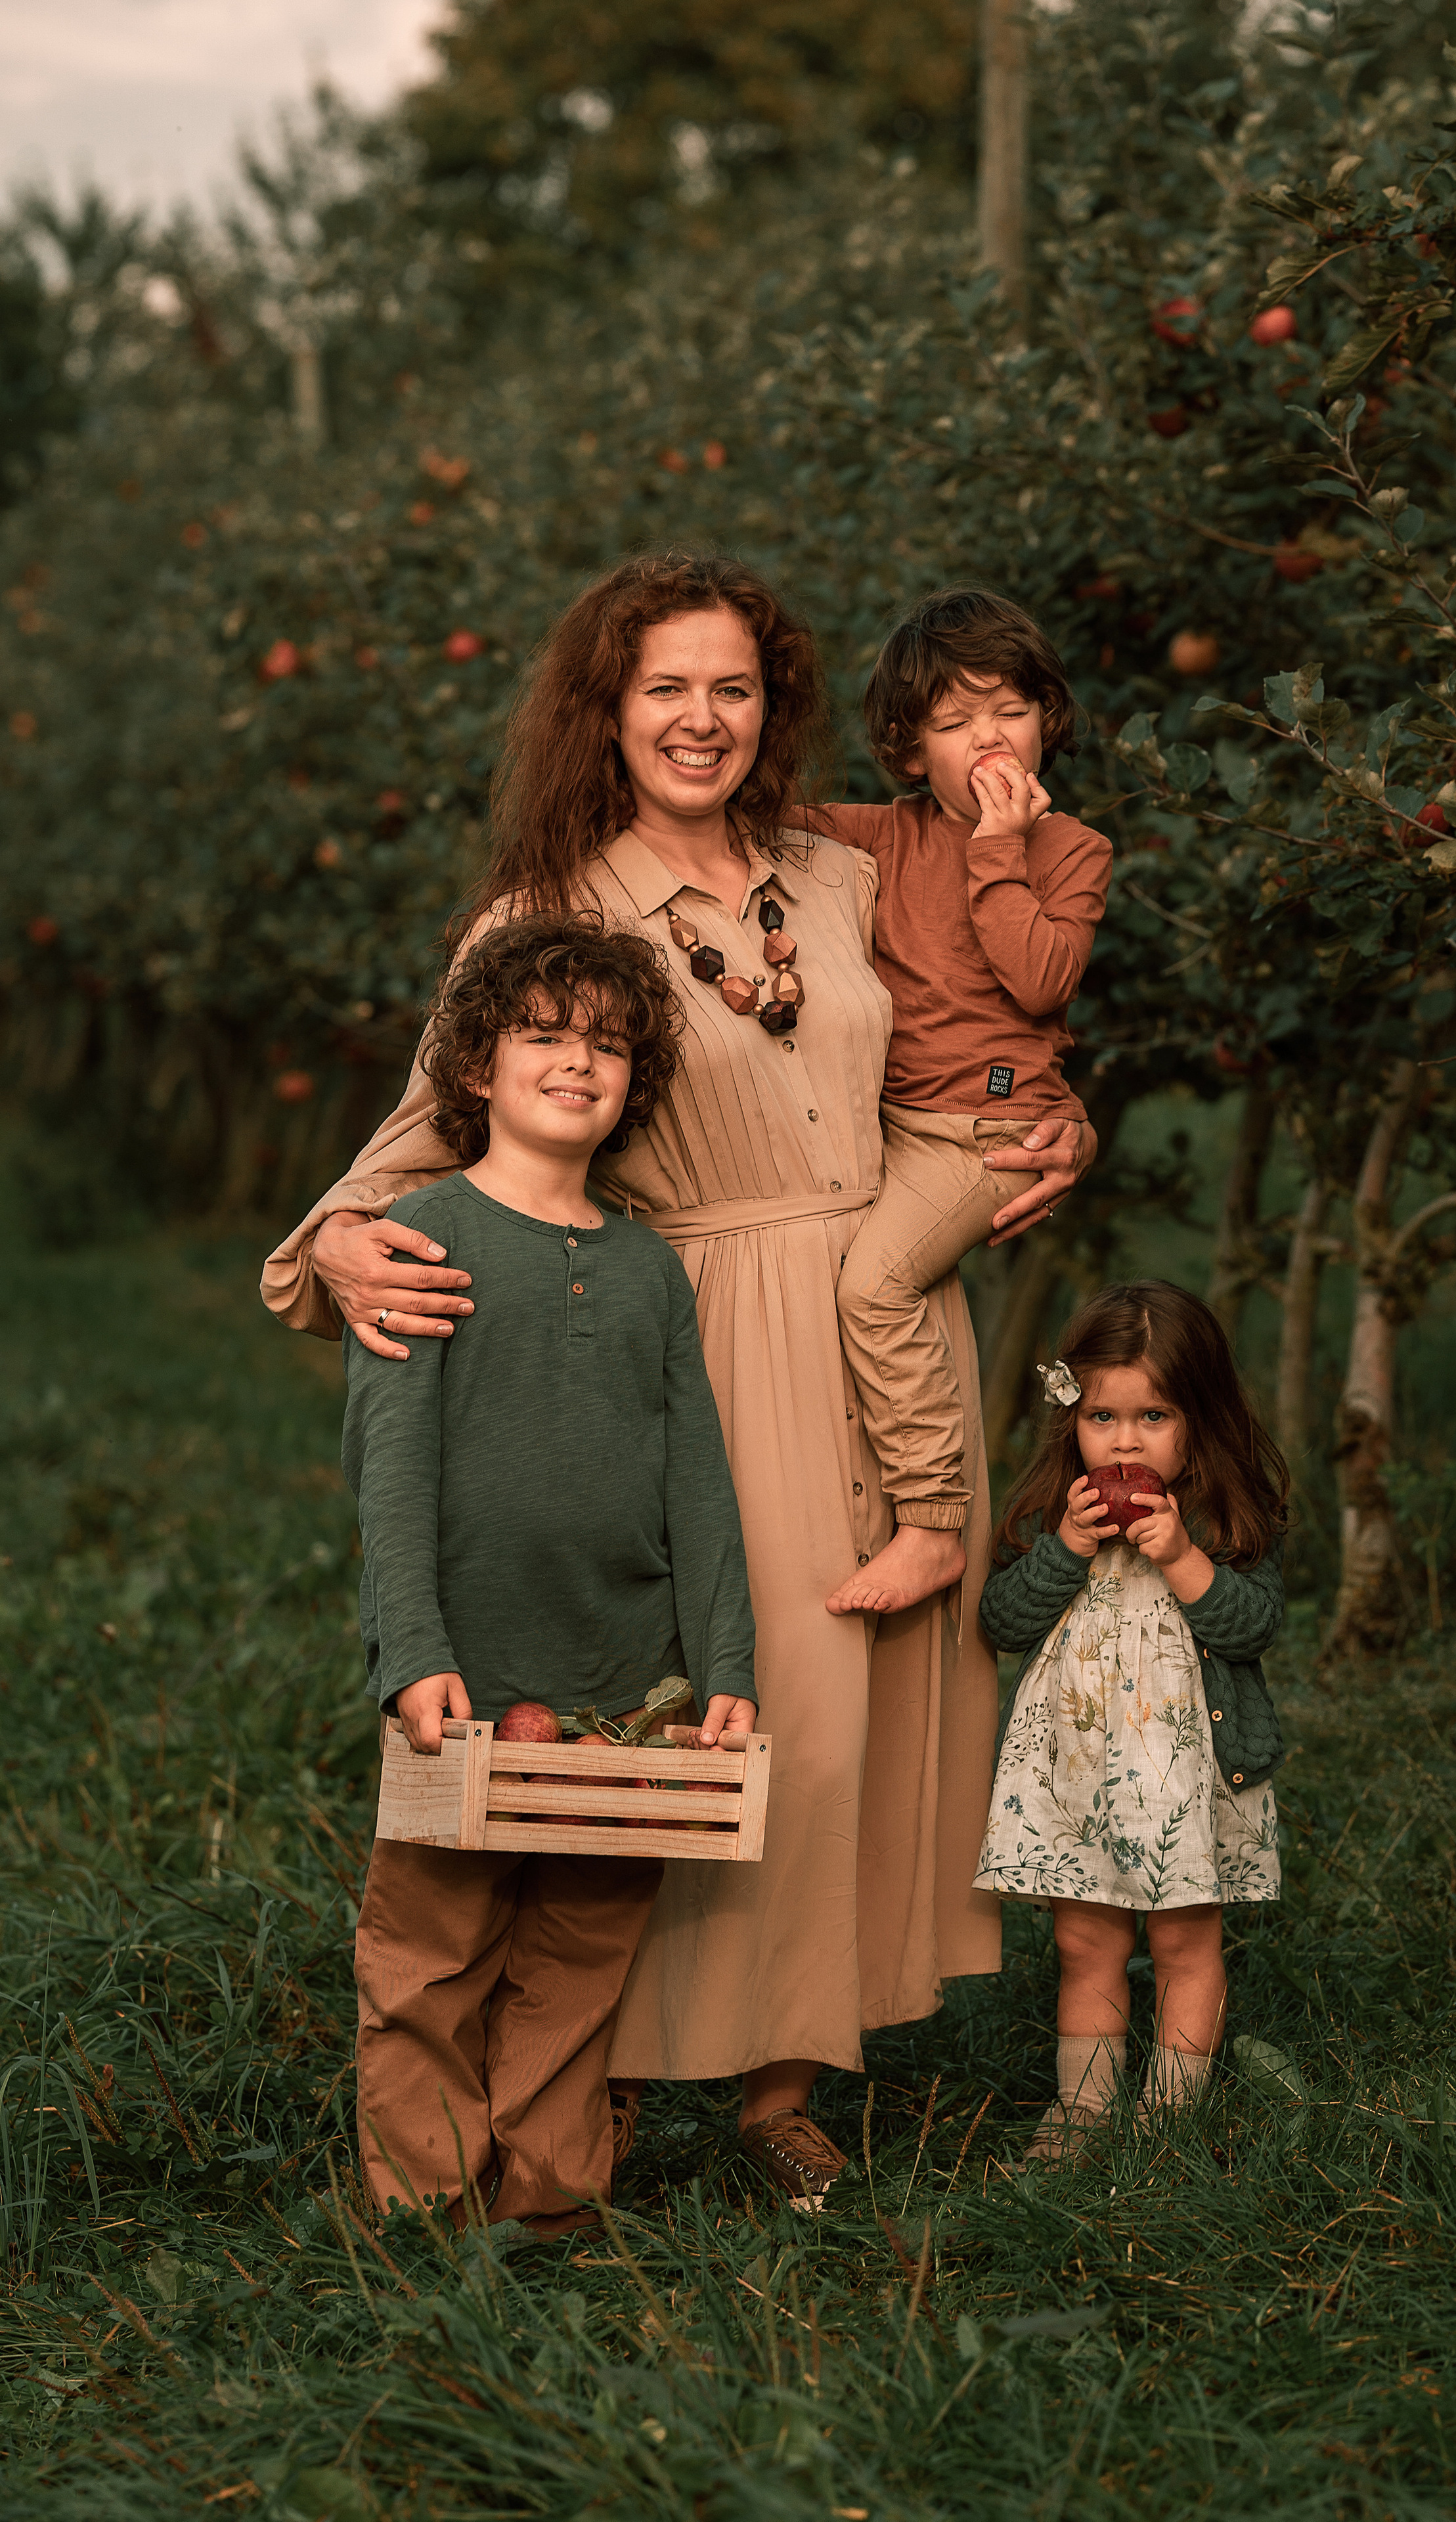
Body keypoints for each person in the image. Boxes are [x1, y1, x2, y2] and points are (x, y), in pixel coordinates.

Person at [263, 552, 1094, 2210]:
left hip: (885, 1322)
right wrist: (329, 1249)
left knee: (856, 1738)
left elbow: (977, 1015)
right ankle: (613, 2075)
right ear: (607, 709)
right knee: (731, 1715)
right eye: (665, 687)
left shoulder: (845, 868)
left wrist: (1053, 1122)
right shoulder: (549, 916)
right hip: (697, 1336)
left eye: (733, 686)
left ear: (770, 703)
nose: (701, 718)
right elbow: (429, 1131)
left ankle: (783, 2087)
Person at [347, 912, 758, 2234]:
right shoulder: (422, 1237)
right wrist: (412, 1651)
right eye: (541, 1035)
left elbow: (698, 1479)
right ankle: (422, 2207)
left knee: (581, 1947)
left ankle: (547, 2200)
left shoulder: (646, 1270)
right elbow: (391, 1474)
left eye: (607, 1044)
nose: (576, 1062)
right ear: (474, 1067)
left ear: (636, 1079)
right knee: (433, 1949)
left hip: (621, 1678)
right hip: (467, 1669)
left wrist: (724, 1666)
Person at [816, 589, 1112, 1618]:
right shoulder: (875, 838)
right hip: (895, 1131)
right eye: (953, 723)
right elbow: (748, 821)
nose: (988, 740)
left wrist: (996, 849)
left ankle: (937, 1524)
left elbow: (1040, 982)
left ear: (1049, 721)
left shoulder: (1071, 850)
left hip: (993, 1134)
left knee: (875, 1291)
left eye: (1009, 712)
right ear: (908, 753)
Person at [972, 1281, 1289, 2165]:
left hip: (1189, 1778)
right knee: (1084, 1939)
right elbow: (1002, 1623)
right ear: (1072, 1418)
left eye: (1153, 1416)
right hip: (1077, 1773)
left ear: (1202, 1415)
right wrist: (1064, 1551)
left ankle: (1171, 2117)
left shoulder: (1224, 1519)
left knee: (1186, 1936)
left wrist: (1184, 1556)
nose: (1124, 1441)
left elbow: (1254, 1626)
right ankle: (1081, 2113)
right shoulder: (1055, 1513)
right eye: (1103, 1418)